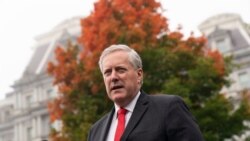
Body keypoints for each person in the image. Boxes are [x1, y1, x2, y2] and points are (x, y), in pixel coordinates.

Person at [88, 44, 204, 141]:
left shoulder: (168, 108)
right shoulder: (96, 131)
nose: (113, 77)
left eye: (120, 70)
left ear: (139, 75)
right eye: (107, 72)